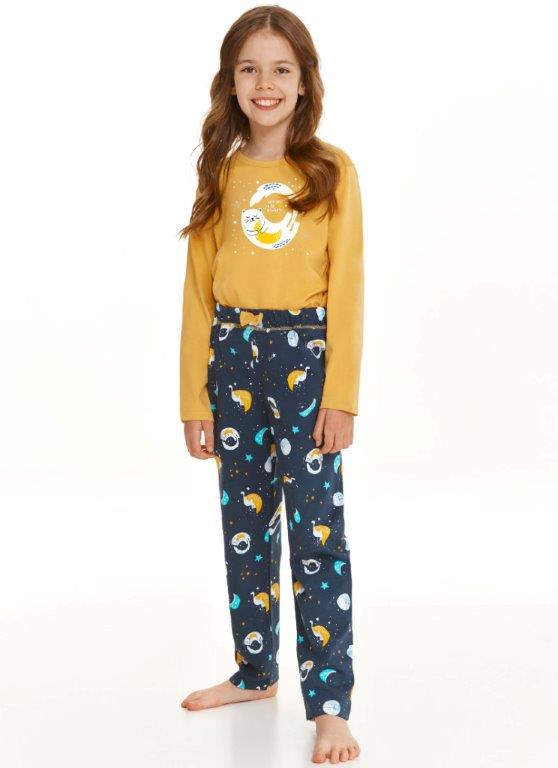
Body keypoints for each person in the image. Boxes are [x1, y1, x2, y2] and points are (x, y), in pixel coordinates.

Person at [178, 6, 364, 763]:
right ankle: (255, 671)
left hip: (304, 359)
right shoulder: (220, 173)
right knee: (245, 526)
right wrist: (194, 398)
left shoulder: (330, 170)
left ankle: (330, 705)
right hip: (232, 358)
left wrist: (340, 396)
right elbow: (198, 292)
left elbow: (348, 287)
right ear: (231, 82)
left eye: (281, 69)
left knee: (316, 536)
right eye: (249, 69)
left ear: (304, 81)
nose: (265, 83)